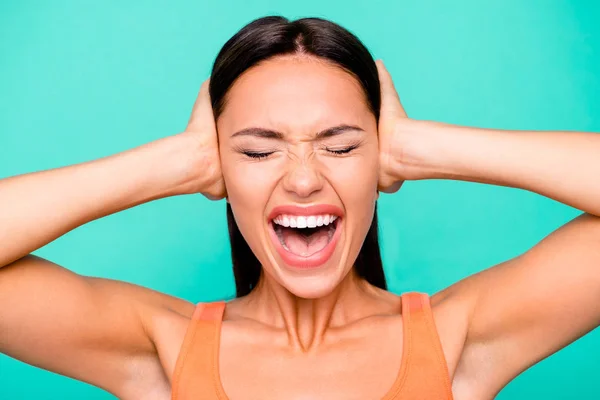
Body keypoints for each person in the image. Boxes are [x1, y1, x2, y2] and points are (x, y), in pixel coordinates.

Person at [0, 15, 598, 400]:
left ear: (381, 159)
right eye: (259, 151)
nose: (305, 179)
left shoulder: (456, 338)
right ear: (218, 165)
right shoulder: (162, 347)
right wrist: (175, 164)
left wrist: (424, 146)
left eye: (340, 146)